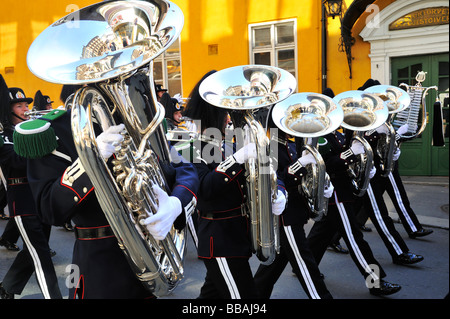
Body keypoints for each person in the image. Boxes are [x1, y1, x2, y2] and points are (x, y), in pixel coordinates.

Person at [20, 74, 199, 299]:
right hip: (98, 267)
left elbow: (184, 168)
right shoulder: (53, 132)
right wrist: (89, 162)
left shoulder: (138, 122)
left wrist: (175, 204)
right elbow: (49, 209)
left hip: (153, 255)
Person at [183, 71, 287, 299]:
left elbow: (268, 170)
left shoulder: (231, 141)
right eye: (225, 113)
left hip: (237, 237)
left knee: (210, 298)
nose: (230, 119)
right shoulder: (191, 146)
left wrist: (279, 192)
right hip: (219, 241)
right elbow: (205, 189)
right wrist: (237, 159)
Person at [306, 127, 401, 296]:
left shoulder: (341, 132)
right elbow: (326, 165)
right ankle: (375, 282)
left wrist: (366, 164)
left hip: (344, 189)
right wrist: (350, 153)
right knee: (355, 239)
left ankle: (305, 267)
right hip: (335, 192)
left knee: (322, 232)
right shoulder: (320, 135)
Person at [253, 117, 333, 299]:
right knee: (307, 267)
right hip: (285, 216)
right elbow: (277, 178)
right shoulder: (270, 146)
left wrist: (324, 182)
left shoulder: (290, 145)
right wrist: (301, 163)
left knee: (268, 272)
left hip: (295, 213)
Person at [0, 76, 62, 299]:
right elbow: (17, 162)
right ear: (8, 111)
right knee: (42, 255)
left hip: (40, 197)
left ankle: (7, 287)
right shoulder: (3, 136)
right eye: (19, 105)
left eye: (26, 104)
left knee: (36, 249)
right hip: (22, 201)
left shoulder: (33, 129)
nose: (26, 109)